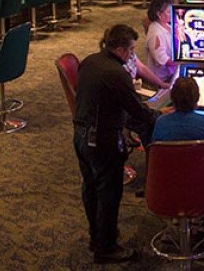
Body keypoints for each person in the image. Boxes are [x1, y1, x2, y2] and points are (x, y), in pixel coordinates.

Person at [74, 24, 162, 264]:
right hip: (102, 139)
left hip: (80, 135)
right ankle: (107, 248)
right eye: (131, 50)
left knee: (91, 188)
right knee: (109, 193)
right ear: (121, 49)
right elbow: (137, 111)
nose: (133, 55)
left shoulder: (90, 61)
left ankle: (97, 237)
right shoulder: (116, 73)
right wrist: (163, 115)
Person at [151, 76, 204, 158]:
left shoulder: (161, 122)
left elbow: (154, 153)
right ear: (197, 97)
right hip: (199, 166)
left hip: (168, 166)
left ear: (172, 97)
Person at [144, 0, 176, 83]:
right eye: (168, 12)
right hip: (161, 78)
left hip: (170, 72)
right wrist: (182, 62)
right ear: (159, 14)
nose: (172, 13)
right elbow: (162, 59)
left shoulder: (166, 25)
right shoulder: (155, 33)